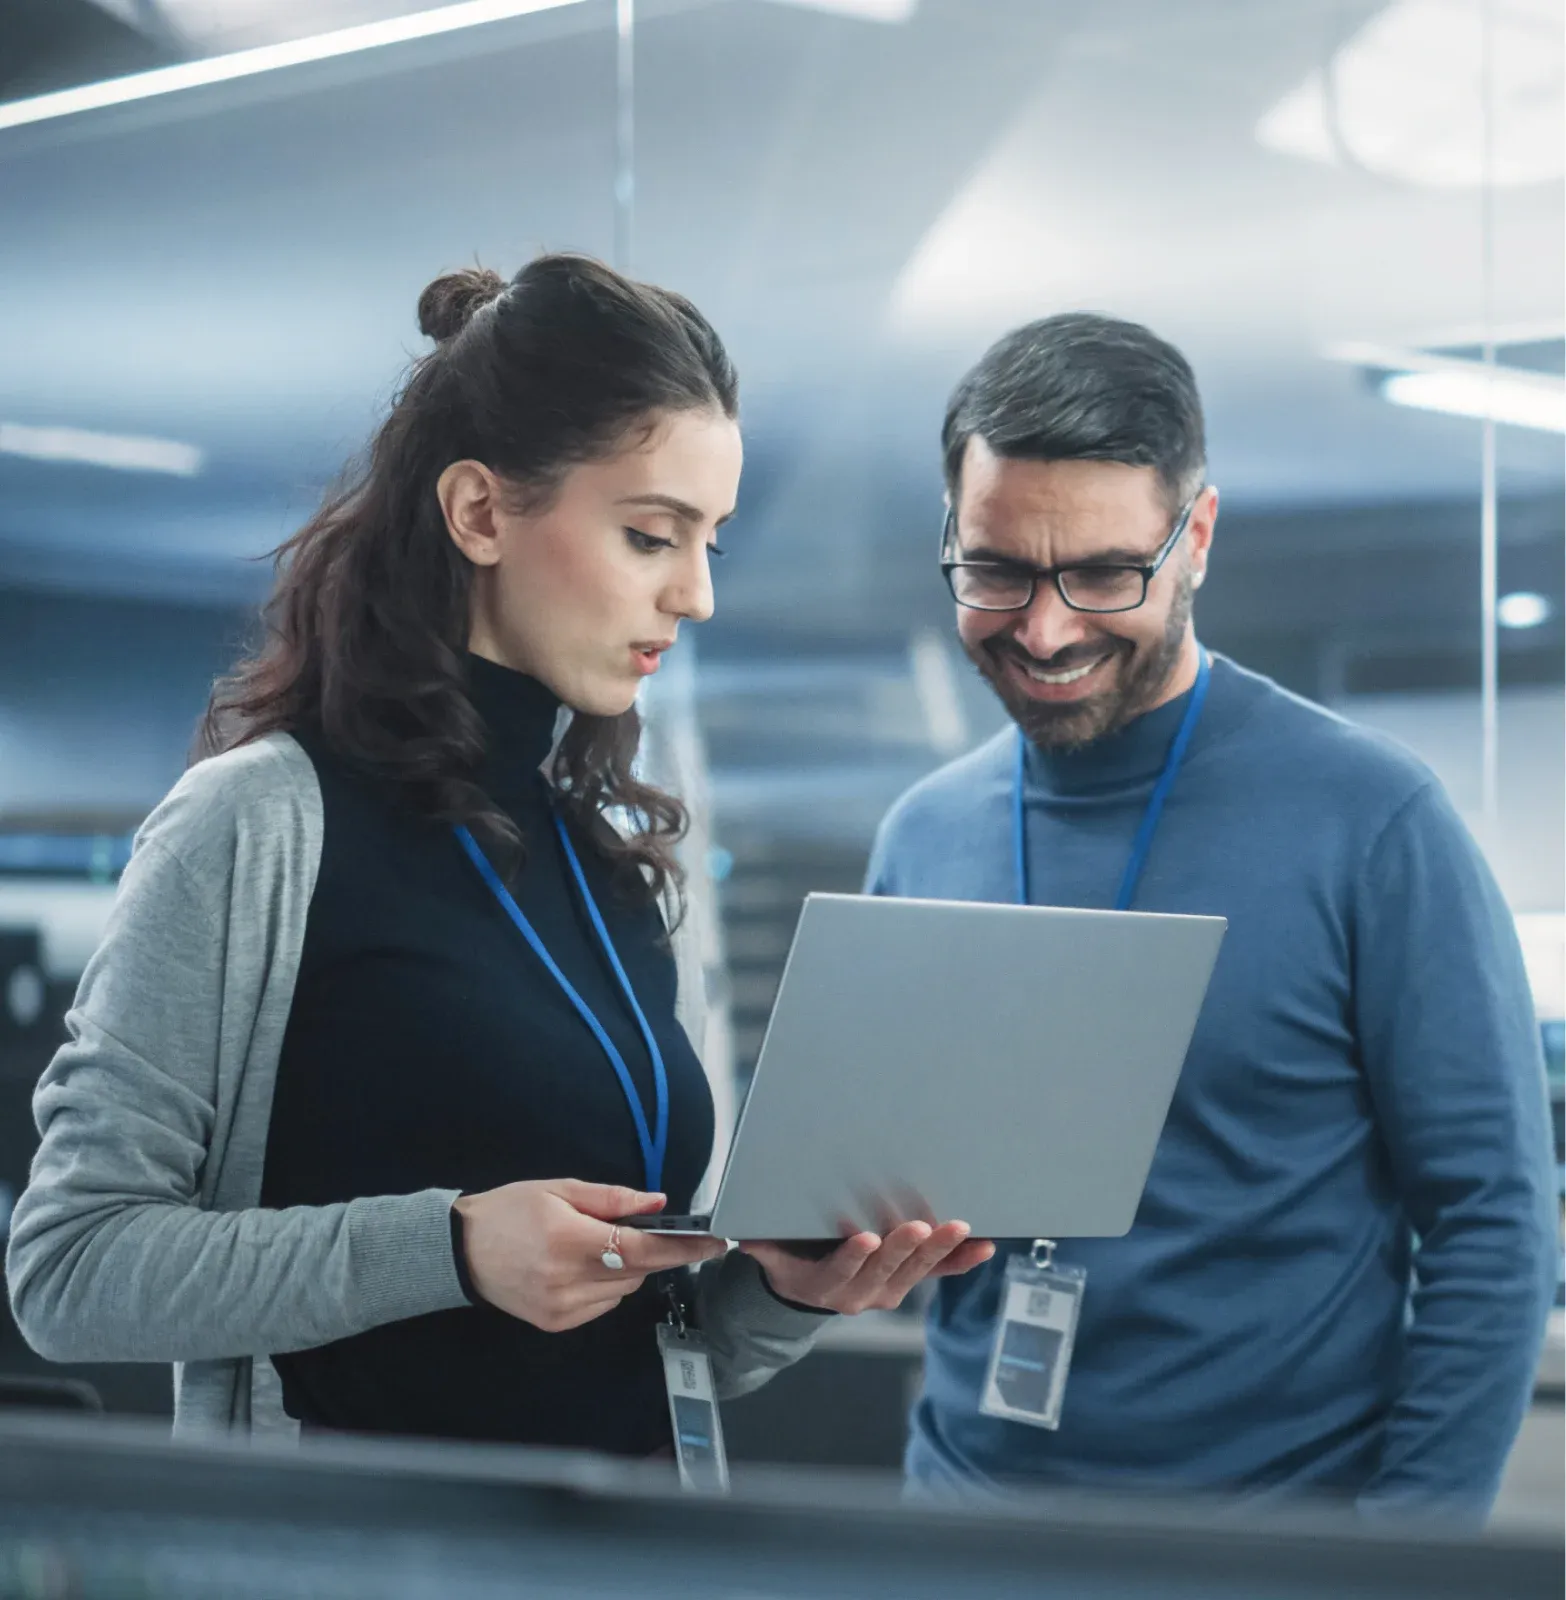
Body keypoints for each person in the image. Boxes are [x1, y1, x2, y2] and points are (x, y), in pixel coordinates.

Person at [6, 254, 991, 1450]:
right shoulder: (258, 823)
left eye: (710, 545)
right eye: (650, 535)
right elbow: (71, 1268)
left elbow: (649, 1350)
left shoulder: (607, 862)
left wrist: (784, 1291)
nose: (696, 597)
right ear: (480, 512)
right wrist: (456, 1246)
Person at [866, 312, 1558, 1516]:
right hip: (967, 1524)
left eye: (1101, 573)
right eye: (997, 571)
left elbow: (1494, 1220)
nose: (1044, 629)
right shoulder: (924, 834)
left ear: (1197, 539)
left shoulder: (1375, 822)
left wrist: (1405, 1555)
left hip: (1269, 1541)